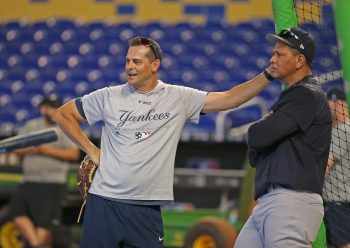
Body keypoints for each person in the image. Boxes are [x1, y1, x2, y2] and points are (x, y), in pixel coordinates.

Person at [54, 36, 274, 247]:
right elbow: (64, 115)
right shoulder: (108, 96)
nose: (130, 66)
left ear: (154, 65)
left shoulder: (177, 97)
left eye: (137, 61)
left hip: (146, 207)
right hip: (105, 202)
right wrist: (92, 150)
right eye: (128, 61)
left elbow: (229, 99)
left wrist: (269, 74)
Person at [234, 27, 332, 248]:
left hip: (292, 201)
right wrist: (262, 132)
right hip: (272, 202)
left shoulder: (306, 94)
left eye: (280, 54)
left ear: (299, 61)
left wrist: (259, 129)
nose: (272, 59)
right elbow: (255, 154)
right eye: (274, 53)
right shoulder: (294, 95)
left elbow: (257, 137)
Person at [8, 94, 80, 248]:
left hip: (52, 182)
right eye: (51, 107)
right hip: (29, 180)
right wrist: (34, 148)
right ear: (43, 108)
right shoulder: (31, 125)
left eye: (57, 107)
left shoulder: (64, 125)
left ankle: (36, 245)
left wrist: (46, 151)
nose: (54, 111)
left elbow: (74, 154)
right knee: (16, 212)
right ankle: (35, 244)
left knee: (45, 223)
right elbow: (17, 149)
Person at [322, 87, 350, 248]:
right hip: (344, 197)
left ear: (336, 103)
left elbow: (327, 163)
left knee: (341, 245)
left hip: (337, 200)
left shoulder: (342, 130)